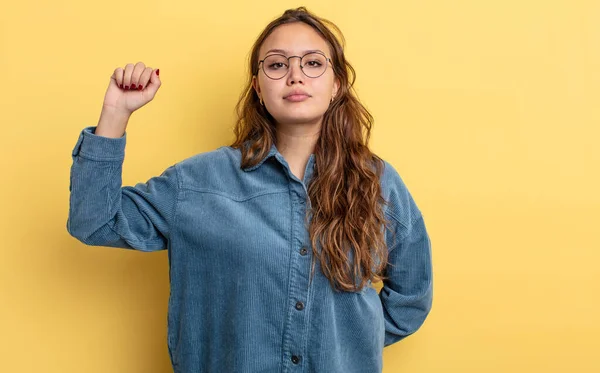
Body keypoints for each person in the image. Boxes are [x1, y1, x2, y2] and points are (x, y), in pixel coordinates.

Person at [67, 6, 433, 373]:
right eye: (276, 65)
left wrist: (349, 340)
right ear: (258, 86)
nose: (295, 76)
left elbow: (411, 297)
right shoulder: (197, 181)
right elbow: (95, 222)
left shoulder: (378, 182)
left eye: (313, 63)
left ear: (336, 83)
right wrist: (116, 112)